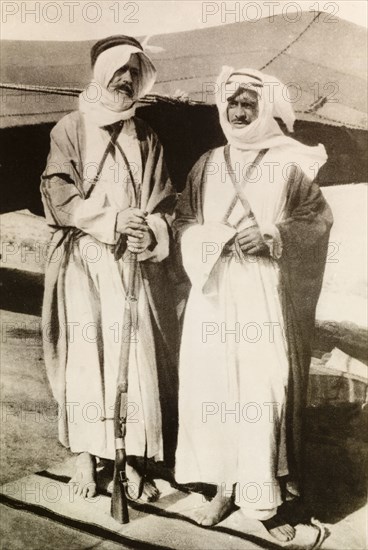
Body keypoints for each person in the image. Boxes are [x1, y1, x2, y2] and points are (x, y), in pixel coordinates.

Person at [173, 66, 333, 541]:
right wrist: (209, 240)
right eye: (232, 103)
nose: (238, 112)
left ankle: (260, 497)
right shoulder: (206, 163)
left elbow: (316, 222)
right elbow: (183, 219)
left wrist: (273, 236)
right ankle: (223, 487)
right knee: (214, 389)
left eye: (249, 104)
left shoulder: (290, 165)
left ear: (265, 109)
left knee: (263, 391)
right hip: (215, 293)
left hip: (265, 294)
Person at [41, 35, 178, 501]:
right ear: (101, 73)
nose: (126, 80)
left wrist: (152, 231)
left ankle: (128, 458)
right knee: (86, 357)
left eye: (134, 74)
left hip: (131, 266)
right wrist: (111, 220)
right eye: (119, 71)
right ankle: (85, 454)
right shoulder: (71, 128)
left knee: (134, 361)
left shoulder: (148, 137)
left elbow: (165, 203)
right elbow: (58, 194)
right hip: (85, 260)